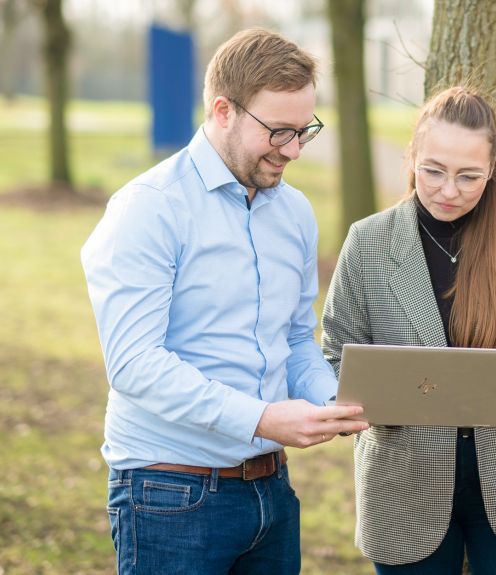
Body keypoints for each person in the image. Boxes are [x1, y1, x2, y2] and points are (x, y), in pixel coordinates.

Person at [81, 27, 368, 575]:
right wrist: (263, 417)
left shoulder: (295, 213)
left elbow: (292, 339)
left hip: (272, 493)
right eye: (278, 131)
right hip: (168, 495)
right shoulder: (150, 209)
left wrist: (337, 402)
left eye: (304, 131)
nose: (292, 150)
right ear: (222, 111)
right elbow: (134, 364)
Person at [321, 86, 496, 575]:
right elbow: (334, 357)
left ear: (493, 168)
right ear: (411, 157)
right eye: (433, 171)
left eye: (469, 176)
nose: (449, 191)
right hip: (403, 482)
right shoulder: (367, 242)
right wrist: (363, 399)